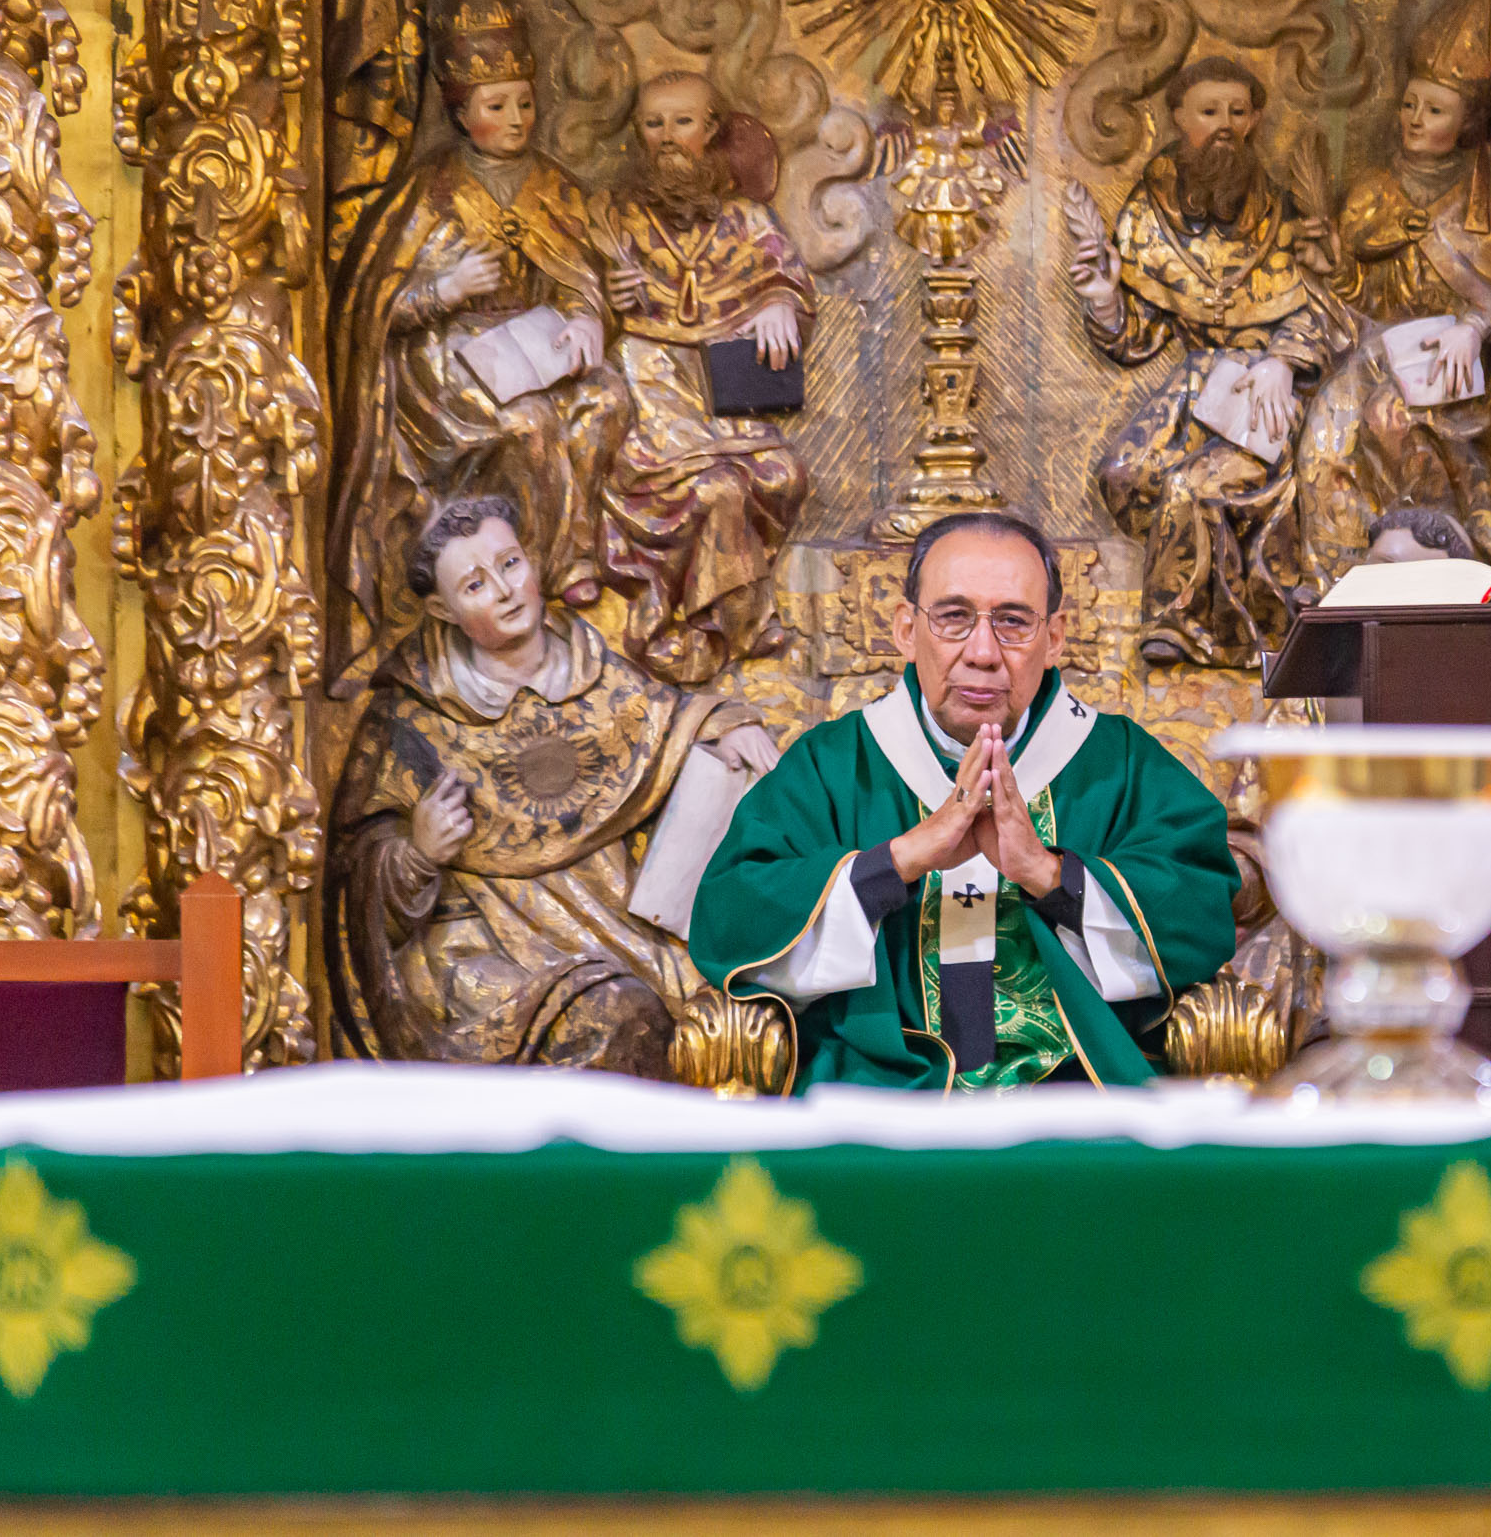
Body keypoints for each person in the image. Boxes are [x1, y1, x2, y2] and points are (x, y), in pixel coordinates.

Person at [688, 513, 1241, 1091]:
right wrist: (897, 862)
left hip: (1079, 1093)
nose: (982, 651)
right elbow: (731, 919)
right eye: (953, 618)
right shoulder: (833, 766)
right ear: (905, 629)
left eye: (1013, 622)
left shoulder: (1119, 765)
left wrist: (1049, 875)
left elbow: (1201, 912)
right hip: (881, 1090)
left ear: (1054, 638)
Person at [327, 496, 780, 1076]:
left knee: (742, 1001)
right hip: (483, 951)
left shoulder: (596, 672)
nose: (505, 590)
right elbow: (355, 881)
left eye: (511, 565)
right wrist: (416, 854)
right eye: (475, 586)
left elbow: (667, 723)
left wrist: (724, 725)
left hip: (612, 922)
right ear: (442, 610)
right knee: (621, 1014)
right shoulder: (411, 719)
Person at [326, 0, 632, 694]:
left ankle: (578, 558)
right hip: (447, 368)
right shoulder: (431, 191)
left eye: (524, 104)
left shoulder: (553, 183)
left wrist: (591, 318)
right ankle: (540, 577)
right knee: (529, 427)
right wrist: (443, 291)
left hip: (538, 347)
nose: (517, 121)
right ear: (462, 112)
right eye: (498, 106)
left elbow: (588, 271)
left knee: (607, 403)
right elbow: (371, 308)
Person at [1294, 0, 1491, 586]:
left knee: (1391, 417)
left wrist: (1477, 327)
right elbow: (1369, 304)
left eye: (1435, 109)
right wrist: (1337, 274)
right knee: (1330, 433)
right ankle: (1348, 581)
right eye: (1409, 104)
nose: (1415, 120)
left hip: (1477, 385)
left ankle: (1446, 573)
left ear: (1470, 121)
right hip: (1385, 361)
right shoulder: (1374, 193)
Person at [1073, 55, 1352, 668]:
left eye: (1236, 111)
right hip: (1198, 390)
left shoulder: (1285, 214)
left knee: (1189, 486)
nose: (1224, 125)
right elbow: (1140, 335)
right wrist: (1104, 302)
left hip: (1269, 397)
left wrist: (1282, 360)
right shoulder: (1148, 218)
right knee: (1127, 475)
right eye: (1208, 111)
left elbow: (1324, 310)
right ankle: (1218, 572)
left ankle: (1183, 626)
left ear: (1253, 120)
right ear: (1178, 118)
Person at [588, 69, 815, 683]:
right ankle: (721, 621)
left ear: (711, 130)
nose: (666, 138)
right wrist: (608, 298)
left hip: (724, 391)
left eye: (682, 122)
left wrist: (778, 302)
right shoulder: (615, 216)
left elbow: (785, 276)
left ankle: (721, 615)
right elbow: (575, 302)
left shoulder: (745, 219)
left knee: (781, 474)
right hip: (649, 387)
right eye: (653, 123)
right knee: (715, 489)